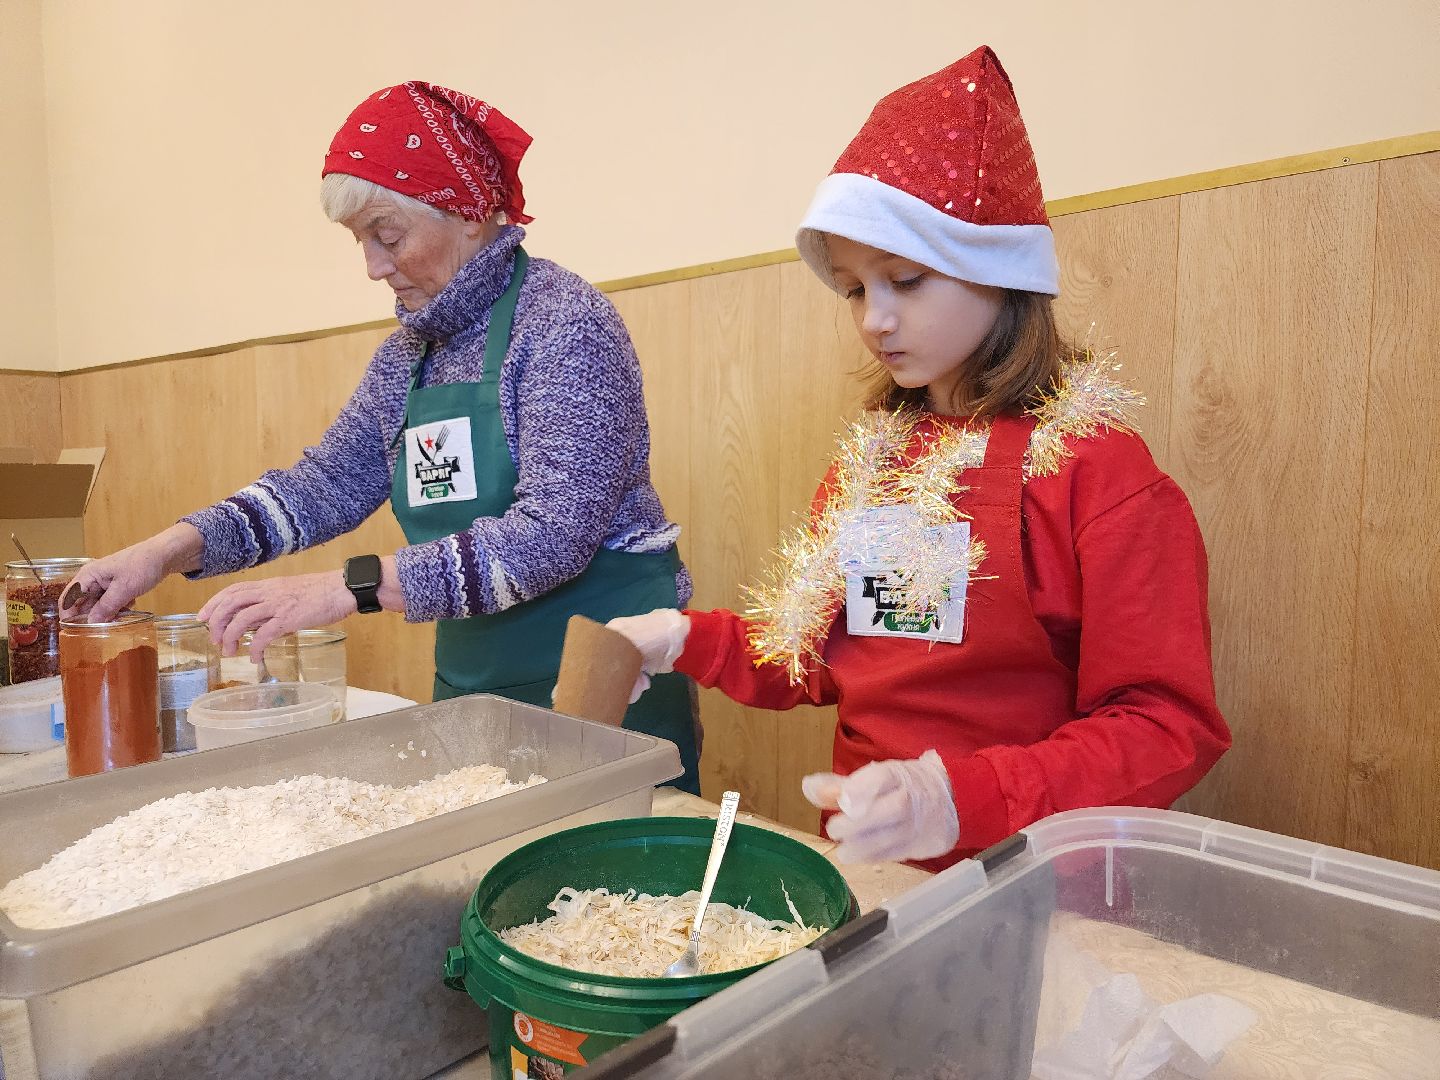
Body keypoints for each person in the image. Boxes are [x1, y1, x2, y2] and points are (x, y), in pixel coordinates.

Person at [608, 47, 1230, 865]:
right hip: (874, 876)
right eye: (857, 288)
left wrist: (955, 799)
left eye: (904, 279)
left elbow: (1165, 727)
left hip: (1033, 874)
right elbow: (822, 659)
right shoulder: (873, 465)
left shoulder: (1095, 473)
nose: (874, 320)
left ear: (998, 271)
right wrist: (679, 637)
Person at [61, 81, 701, 792]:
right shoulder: (411, 354)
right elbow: (325, 483)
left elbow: (552, 535)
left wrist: (352, 587)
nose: (371, 265)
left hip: (606, 688)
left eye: (387, 236)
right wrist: (167, 549)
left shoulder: (565, 324)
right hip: (474, 689)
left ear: (468, 216)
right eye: (359, 241)